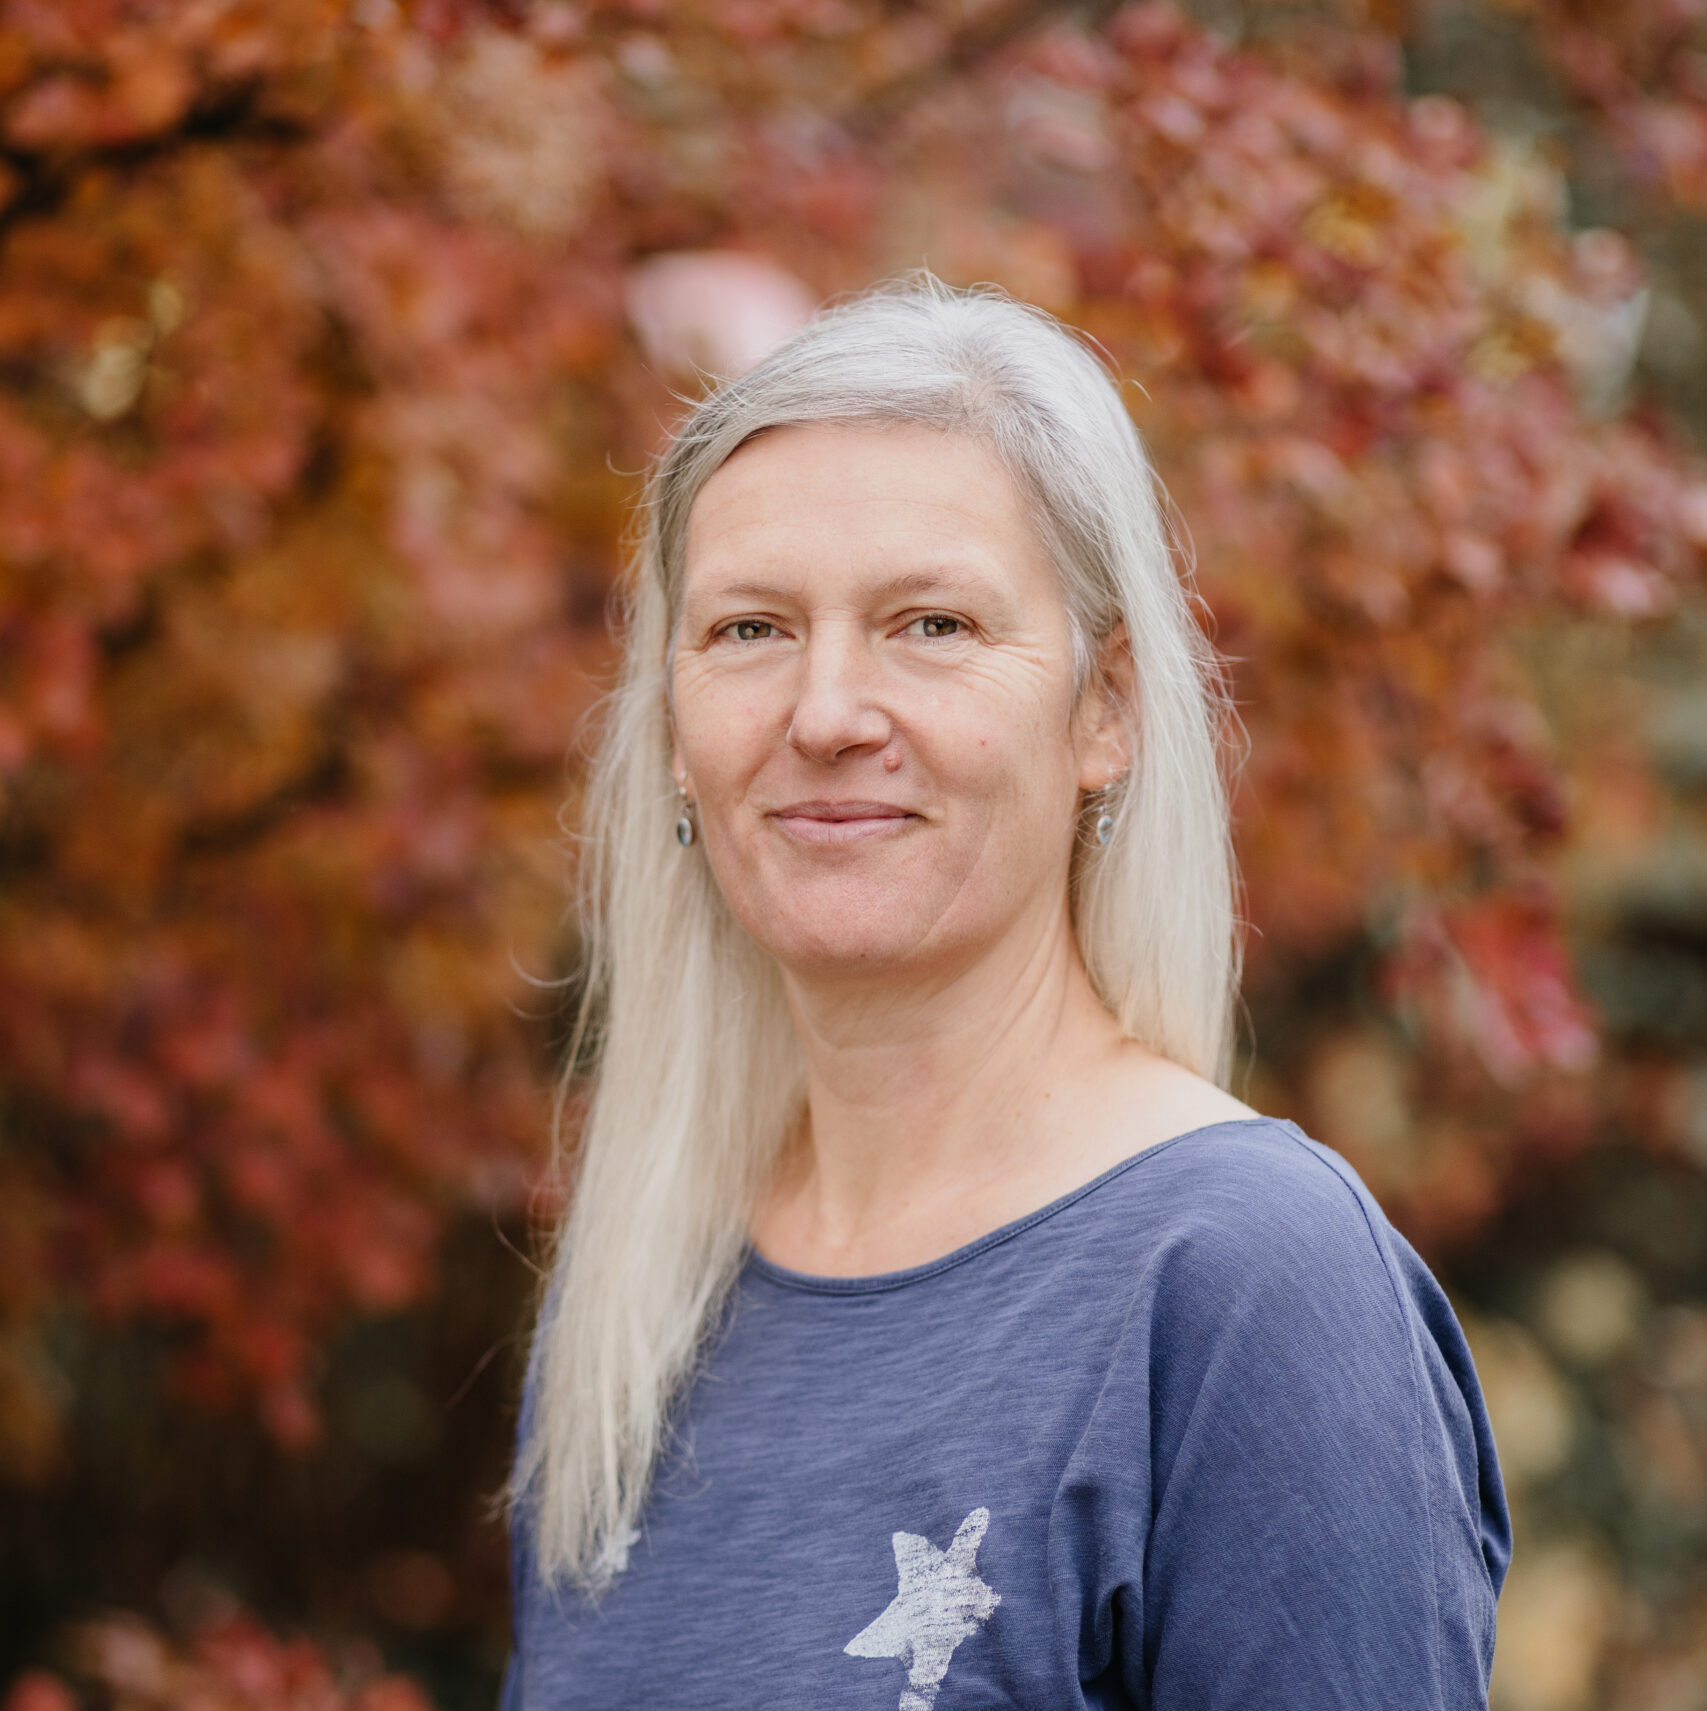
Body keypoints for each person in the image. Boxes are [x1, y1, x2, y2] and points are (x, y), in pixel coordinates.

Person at [502, 277, 1510, 1710]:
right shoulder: (643, 1297)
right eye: (750, 630)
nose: (827, 714)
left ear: (1105, 709)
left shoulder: (1246, 1286)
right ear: (673, 724)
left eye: (933, 624)